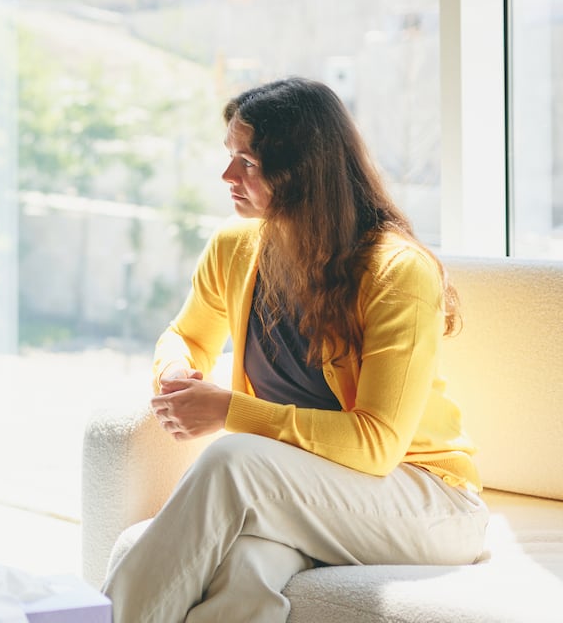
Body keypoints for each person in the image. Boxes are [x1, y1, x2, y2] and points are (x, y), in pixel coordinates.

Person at [101, 77, 488, 622]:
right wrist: (176, 371)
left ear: (301, 172)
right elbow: (186, 335)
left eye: (248, 163)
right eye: (230, 156)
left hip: (428, 502)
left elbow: (376, 443)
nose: (228, 176)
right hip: (313, 493)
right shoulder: (236, 247)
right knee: (245, 569)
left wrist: (228, 409)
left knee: (232, 458)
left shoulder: (395, 273)